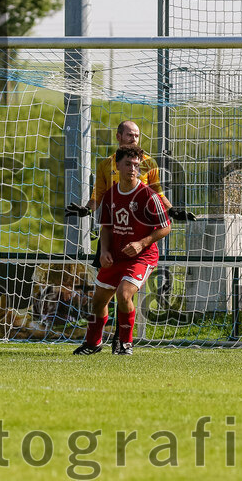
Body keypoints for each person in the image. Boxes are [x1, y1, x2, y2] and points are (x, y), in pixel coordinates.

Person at [73, 145, 172, 355]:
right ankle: (93, 343)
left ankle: (125, 344)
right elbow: (106, 227)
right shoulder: (110, 195)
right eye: (128, 164)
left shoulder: (149, 196)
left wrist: (141, 243)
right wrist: (104, 251)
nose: (132, 169)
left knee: (124, 293)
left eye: (136, 165)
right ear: (116, 165)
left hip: (142, 257)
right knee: (98, 300)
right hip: (117, 256)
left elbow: (166, 227)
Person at [65, 120, 195, 221]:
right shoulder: (105, 165)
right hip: (114, 224)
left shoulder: (149, 163)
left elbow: (157, 193)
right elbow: (97, 196)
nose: (134, 139)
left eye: (137, 136)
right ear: (118, 136)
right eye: (130, 135)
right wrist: (87, 210)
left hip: (140, 223)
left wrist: (173, 211)